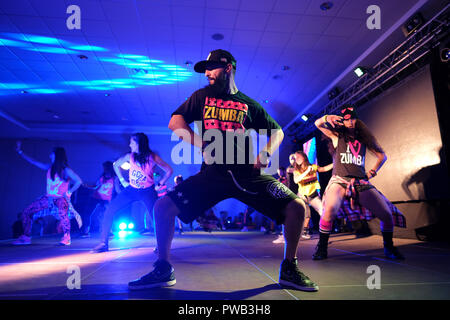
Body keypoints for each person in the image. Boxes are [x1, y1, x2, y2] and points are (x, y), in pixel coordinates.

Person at [128, 49, 318, 292]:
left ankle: (289, 268)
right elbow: (175, 122)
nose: (207, 73)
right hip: (212, 175)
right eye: (205, 70)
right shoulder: (201, 97)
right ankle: (163, 268)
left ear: (228, 68)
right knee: (162, 207)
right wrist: (203, 143)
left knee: (297, 206)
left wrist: (266, 153)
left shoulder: (248, 104)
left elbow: (278, 131)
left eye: (212, 68)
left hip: (247, 176)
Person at [313, 106, 406, 260]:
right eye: (346, 119)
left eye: (352, 119)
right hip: (340, 180)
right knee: (328, 211)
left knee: (387, 215)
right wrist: (327, 117)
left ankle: (389, 248)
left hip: (360, 181)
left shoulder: (364, 139)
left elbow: (382, 156)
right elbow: (317, 124)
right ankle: (321, 248)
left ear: (356, 120)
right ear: (342, 121)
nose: (349, 122)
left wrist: (372, 172)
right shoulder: (337, 136)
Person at [91, 133, 173, 253]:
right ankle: (103, 243)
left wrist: (161, 182)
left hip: (147, 191)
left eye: (132, 142)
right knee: (110, 210)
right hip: (131, 190)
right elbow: (116, 165)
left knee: (156, 217)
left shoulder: (152, 157)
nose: (129, 144)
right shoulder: (130, 156)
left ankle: (161, 246)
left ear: (139, 143)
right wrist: (123, 180)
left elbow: (169, 170)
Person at [13, 142, 82, 245]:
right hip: (48, 199)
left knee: (63, 213)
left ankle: (67, 237)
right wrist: (20, 152)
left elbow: (79, 181)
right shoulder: (49, 167)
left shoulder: (66, 170)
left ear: (56, 155)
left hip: (60, 199)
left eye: (52, 153)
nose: (50, 155)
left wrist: (69, 192)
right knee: (27, 212)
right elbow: (33, 161)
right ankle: (26, 237)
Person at [293, 150, 333, 239]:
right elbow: (296, 180)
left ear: (304, 157)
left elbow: (323, 169)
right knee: (307, 215)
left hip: (313, 195)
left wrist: (335, 163)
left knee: (323, 211)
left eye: (298, 156)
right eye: (296, 158)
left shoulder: (313, 167)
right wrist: (307, 171)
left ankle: (324, 230)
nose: (297, 158)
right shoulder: (296, 170)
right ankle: (304, 231)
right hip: (302, 196)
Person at [81, 161, 121, 237]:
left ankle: (109, 230)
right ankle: (86, 231)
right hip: (96, 197)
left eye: (105, 167)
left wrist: (123, 195)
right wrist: (88, 186)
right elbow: (96, 186)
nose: (104, 169)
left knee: (107, 214)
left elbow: (117, 189)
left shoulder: (115, 178)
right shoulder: (102, 177)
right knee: (87, 212)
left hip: (106, 199)